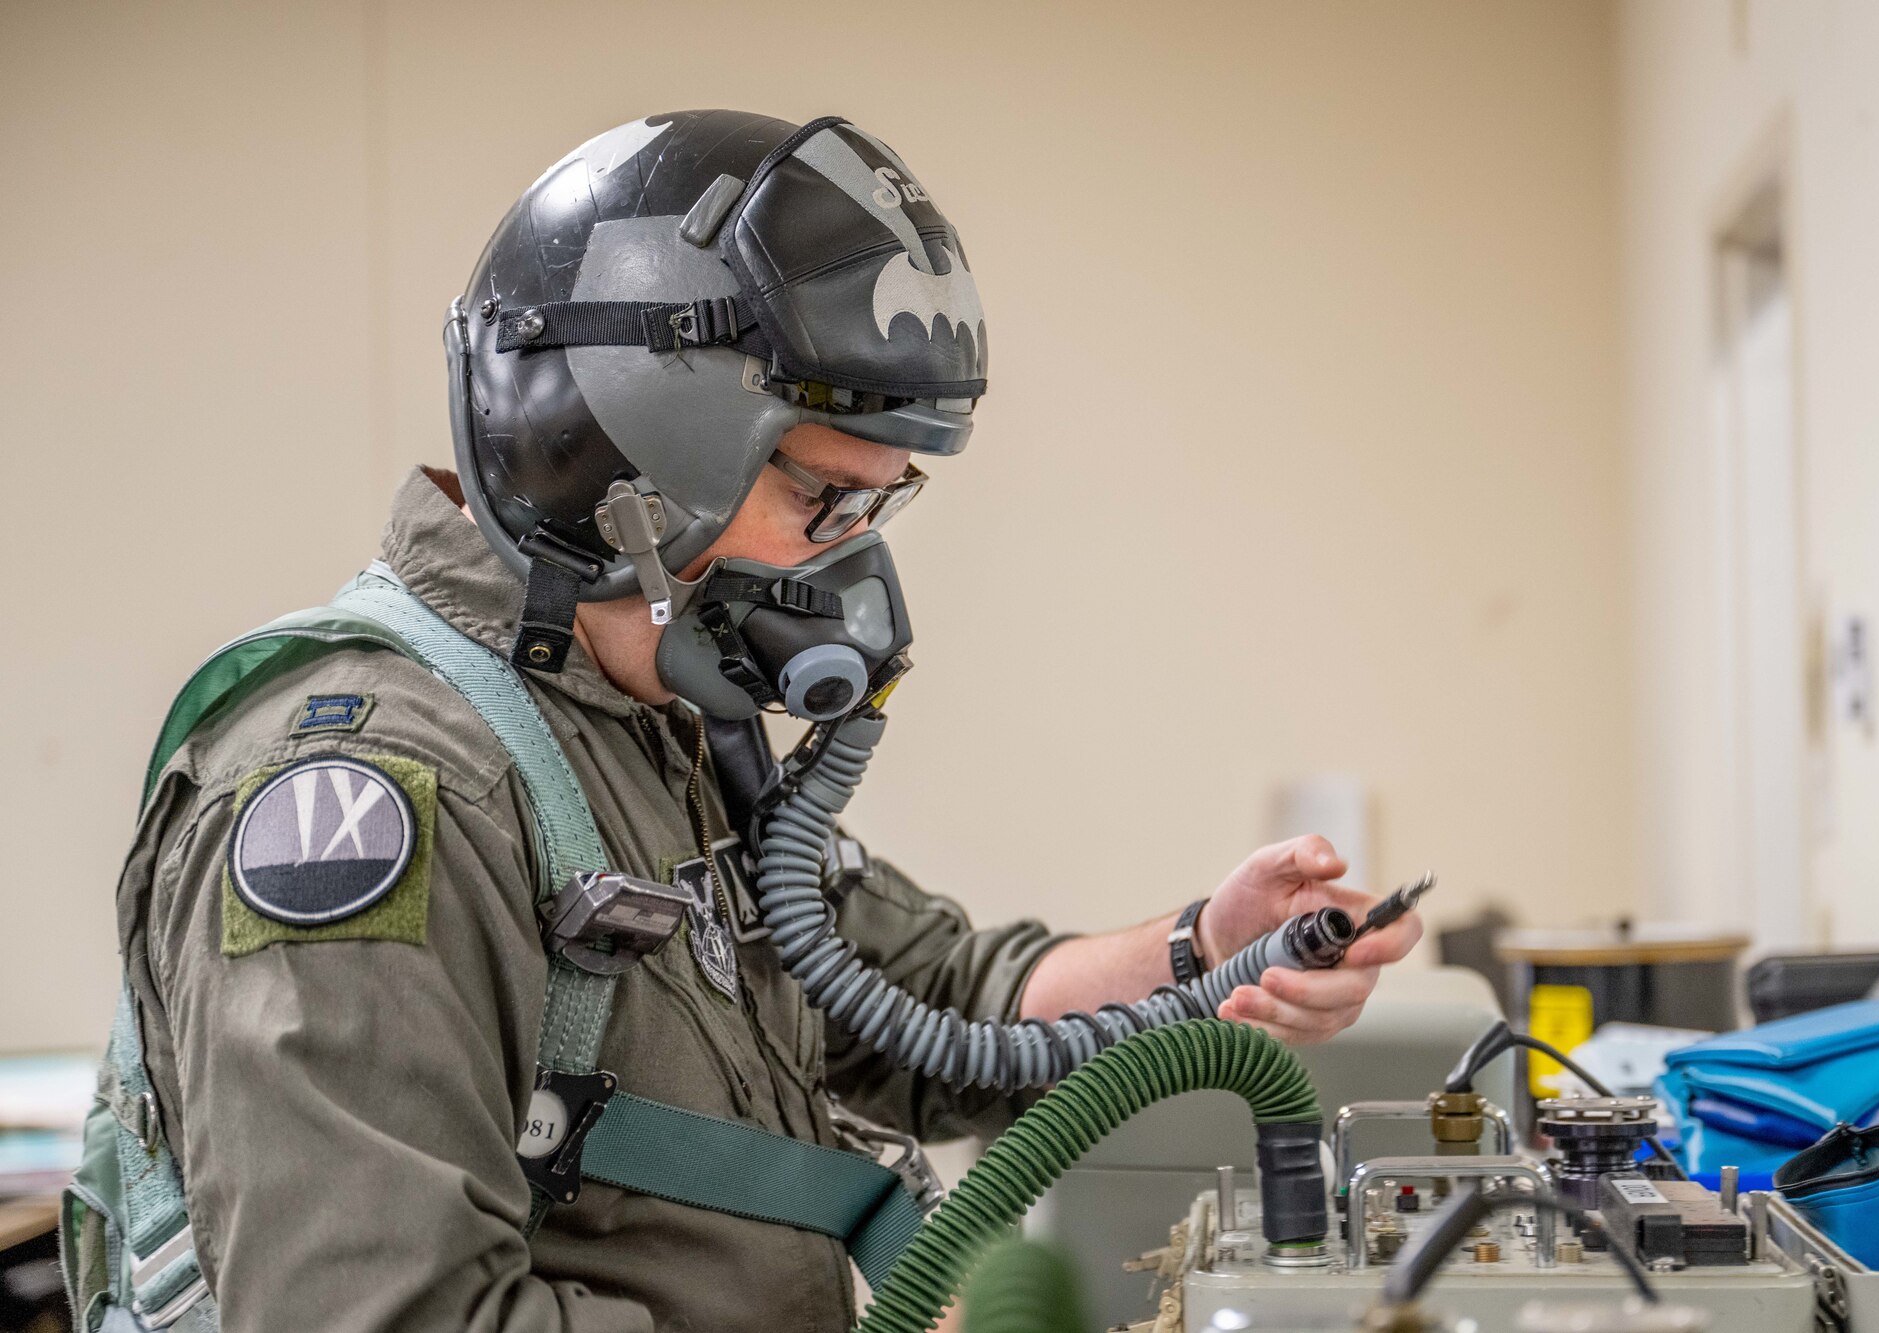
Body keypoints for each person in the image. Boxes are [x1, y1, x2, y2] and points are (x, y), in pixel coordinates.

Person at [73, 110, 1421, 1333]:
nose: (847, 569)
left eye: (874, 513)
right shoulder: (369, 800)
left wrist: (1204, 952)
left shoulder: (646, 723)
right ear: (631, 478)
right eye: (825, 502)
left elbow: (922, 1004)